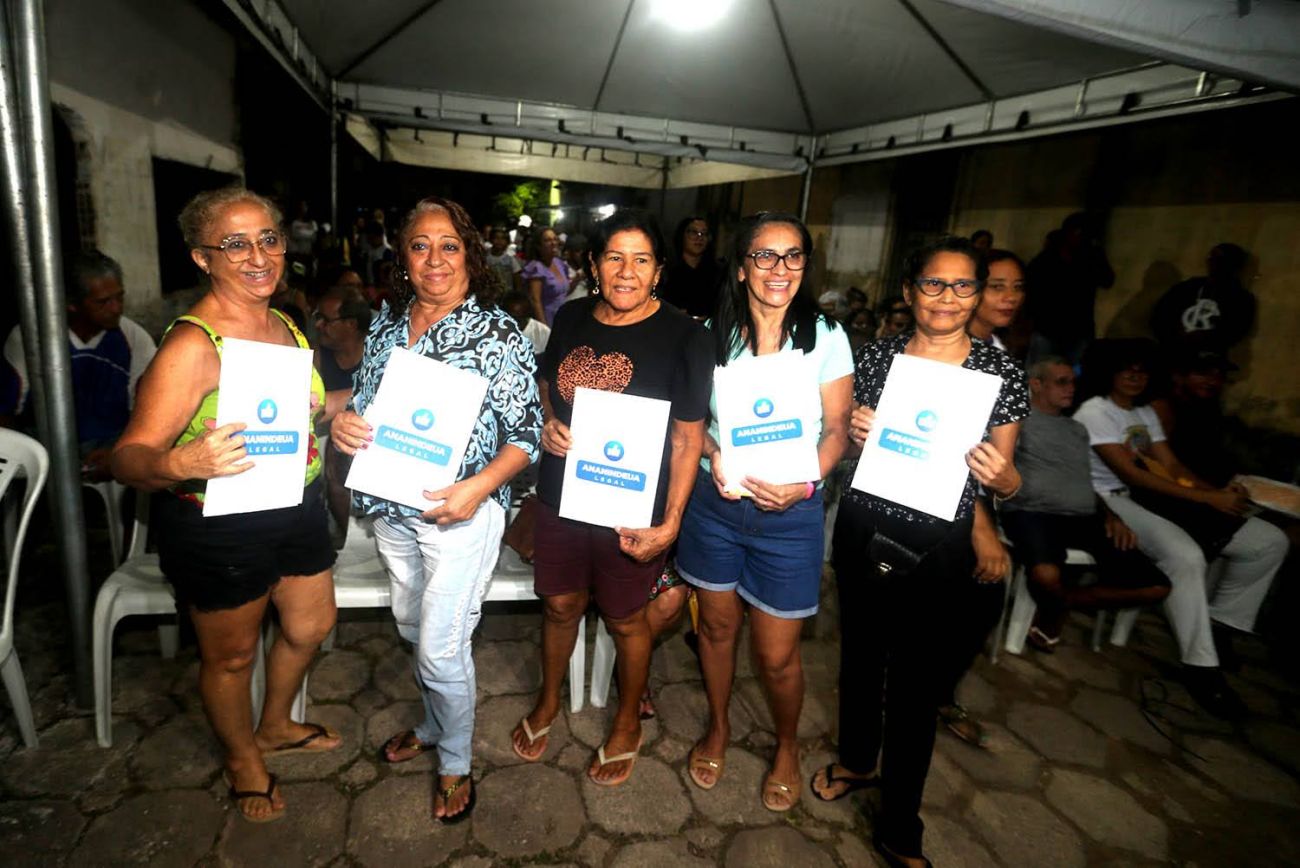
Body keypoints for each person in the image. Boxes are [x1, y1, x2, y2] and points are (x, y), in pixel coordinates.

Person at [110, 187, 341, 823]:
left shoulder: (285, 323)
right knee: (232, 657)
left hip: (296, 504)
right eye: (235, 244)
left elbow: (305, 412)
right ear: (202, 257)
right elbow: (127, 458)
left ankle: (275, 724)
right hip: (220, 523)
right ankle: (243, 761)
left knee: (311, 625)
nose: (258, 257)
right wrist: (179, 462)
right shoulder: (192, 346)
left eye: (269, 239)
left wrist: (358, 408)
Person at [816, 235, 1027, 867]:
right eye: (934, 284)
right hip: (864, 525)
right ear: (910, 292)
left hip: (940, 544)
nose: (947, 298)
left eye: (963, 286)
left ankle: (899, 823)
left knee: (915, 687)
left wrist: (1006, 482)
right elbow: (850, 450)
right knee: (859, 657)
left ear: (977, 295)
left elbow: (1006, 477)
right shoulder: (878, 356)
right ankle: (857, 761)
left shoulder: (999, 374)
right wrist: (856, 438)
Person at [331, 196, 540, 822]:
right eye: (420, 245)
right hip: (390, 510)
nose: (435, 259)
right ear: (403, 257)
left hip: (460, 516)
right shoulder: (386, 325)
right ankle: (431, 723)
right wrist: (345, 424)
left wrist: (479, 487)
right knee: (411, 626)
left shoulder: (497, 333)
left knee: (440, 650)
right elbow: (364, 403)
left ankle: (455, 759)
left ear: (470, 255)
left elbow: (527, 434)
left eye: (449, 245)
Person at [511, 208, 711, 788]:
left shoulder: (686, 337)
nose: (627, 271)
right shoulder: (572, 316)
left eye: (641, 259)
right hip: (562, 496)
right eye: (614, 257)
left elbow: (687, 439)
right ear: (593, 266)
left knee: (626, 619)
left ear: (659, 271)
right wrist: (548, 422)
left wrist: (671, 522)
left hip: (632, 508)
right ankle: (549, 700)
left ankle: (627, 721)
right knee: (559, 606)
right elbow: (548, 385)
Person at [675, 211, 853, 812]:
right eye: (765, 256)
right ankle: (719, 726)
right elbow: (691, 425)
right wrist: (714, 453)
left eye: (793, 255)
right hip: (716, 507)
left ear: (805, 264)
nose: (780, 269)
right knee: (716, 629)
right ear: (741, 267)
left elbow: (837, 430)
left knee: (777, 655)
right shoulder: (709, 334)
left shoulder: (826, 336)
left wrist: (805, 484)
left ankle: (787, 745)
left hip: (791, 515)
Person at [1073, 340, 1287, 716]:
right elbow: (1131, 474)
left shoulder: (1143, 413)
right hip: (1104, 501)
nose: (1135, 377)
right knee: (1185, 557)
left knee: (1268, 542)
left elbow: (1172, 467)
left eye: (1141, 370)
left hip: (1142, 497)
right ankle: (1202, 667)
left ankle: (1219, 625)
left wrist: (1216, 494)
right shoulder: (1095, 411)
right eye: (1127, 369)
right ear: (1110, 373)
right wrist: (1207, 499)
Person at [1001, 357, 1171, 649]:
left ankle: (1060, 604)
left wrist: (1111, 516)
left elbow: (1084, 482)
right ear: (1036, 384)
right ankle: (1055, 606)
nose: (1071, 388)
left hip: (1084, 516)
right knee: (1046, 574)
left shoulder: (1076, 430)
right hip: (1032, 512)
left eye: (1073, 382)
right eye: (1061, 382)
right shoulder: (1017, 420)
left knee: (1157, 587)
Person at [5, 249, 157, 480]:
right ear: (72, 304)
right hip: (45, 451)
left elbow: (150, 411)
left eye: (119, 297)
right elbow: (5, 412)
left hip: (111, 445)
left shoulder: (133, 338)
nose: (116, 308)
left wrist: (118, 454)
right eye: (103, 302)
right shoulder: (31, 338)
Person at [313, 286, 371, 535]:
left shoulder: (379, 353)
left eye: (326, 320)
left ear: (351, 324)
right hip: (324, 431)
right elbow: (313, 406)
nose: (318, 326)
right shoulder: (317, 354)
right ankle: (344, 533)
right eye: (317, 318)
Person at [1026, 212, 1114, 364]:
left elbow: (1107, 280)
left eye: (1085, 234)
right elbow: (1031, 288)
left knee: (1075, 372)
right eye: (1078, 233)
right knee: (1040, 370)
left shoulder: (1090, 256)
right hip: (1048, 328)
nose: (1080, 238)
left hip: (1079, 328)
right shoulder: (1048, 257)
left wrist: (1097, 254)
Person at [1150, 243, 1256, 352]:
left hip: (1208, 357)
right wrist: (1174, 337)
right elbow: (1161, 313)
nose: (1212, 262)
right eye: (1211, 258)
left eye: (1219, 259)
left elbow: (1233, 332)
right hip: (1173, 352)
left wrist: (1204, 338)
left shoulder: (1242, 299)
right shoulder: (1189, 287)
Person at [658, 216, 722, 319]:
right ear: (682, 235)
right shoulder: (667, 271)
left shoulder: (717, 273)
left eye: (704, 233)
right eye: (693, 232)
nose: (699, 238)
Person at [967, 249, 1026, 353]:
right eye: (997, 287)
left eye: (1018, 287)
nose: (1011, 297)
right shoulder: (949, 351)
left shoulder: (999, 345)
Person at [522, 226, 570, 326]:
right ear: (538, 246)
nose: (553, 243)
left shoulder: (559, 263)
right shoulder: (536, 268)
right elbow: (535, 301)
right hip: (548, 319)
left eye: (555, 239)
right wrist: (544, 327)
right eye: (547, 240)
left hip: (563, 318)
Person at [500, 292, 551, 361]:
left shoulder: (542, 332)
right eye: (510, 316)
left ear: (527, 314)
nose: (514, 321)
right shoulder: (498, 332)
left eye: (518, 317)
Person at [486, 227, 523, 297]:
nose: (499, 241)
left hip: (507, 295)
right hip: (490, 294)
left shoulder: (510, 258)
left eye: (503, 238)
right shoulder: (486, 257)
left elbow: (517, 277)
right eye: (496, 238)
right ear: (491, 239)